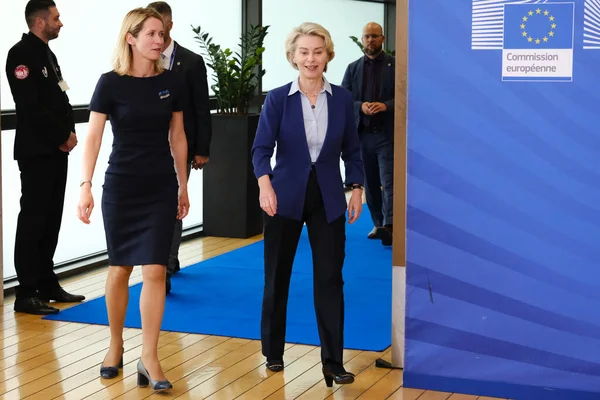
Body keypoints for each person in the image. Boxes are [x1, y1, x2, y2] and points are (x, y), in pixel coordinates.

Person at [76, 7, 189, 391]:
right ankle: (115, 344)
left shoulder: (172, 82)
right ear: (132, 38)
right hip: (121, 186)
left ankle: (150, 356)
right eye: (152, 34)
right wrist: (85, 184)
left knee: (156, 269)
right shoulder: (110, 83)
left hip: (159, 186)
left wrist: (184, 184)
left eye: (162, 34)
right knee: (120, 268)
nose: (160, 40)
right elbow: (92, 137)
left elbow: (178, 136)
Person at [251, 22, 364, 386]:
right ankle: (273, 352)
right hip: (282, 197)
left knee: (330, 279)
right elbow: (260, 149)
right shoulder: (277, 98)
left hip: (329, 198)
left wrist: (358, 187)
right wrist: (264, 185)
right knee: (277, 276)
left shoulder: (343, 99)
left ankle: (333, 362)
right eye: (304, 52)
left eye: (318, 51)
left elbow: (353, 150)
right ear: (293, 56)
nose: (311, 58)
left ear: (328, 54)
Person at [5, 0, 85, 315]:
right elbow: (30, 106)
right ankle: (26, 292)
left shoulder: (47, 55)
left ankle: (47, 282)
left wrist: (69, 133)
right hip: (37, 150)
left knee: (51, 218)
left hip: (56, 149)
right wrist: (61, 135)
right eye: (56, 17)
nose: (60, 22)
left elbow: (59, 96)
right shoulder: (20, 54)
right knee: (33, 219)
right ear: (40, 22)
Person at [147, 1, 212, 295]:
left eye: (159, 27)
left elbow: (201, 108)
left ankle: (167, 264)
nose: (155, 36)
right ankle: (164, 258)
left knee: (174, 203)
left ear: (169, 25)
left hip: (181, 144)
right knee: (154, 204)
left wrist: (202, 148)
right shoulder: (140, 58)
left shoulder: (191, 61)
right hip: (147, 144)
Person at [342, 22, 395, 246]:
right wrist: (361, 106)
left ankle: (391, 226)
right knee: (370, 182)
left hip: (387, 134)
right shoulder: (353, 68)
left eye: (374, 36)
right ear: (362, 40)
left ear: (382, 39)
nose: (370, 40)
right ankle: (378, 223)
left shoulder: (396, 66)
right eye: (366, 36)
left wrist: (386, 106)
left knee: (389, 180)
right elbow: (344, 99)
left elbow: (407, 94)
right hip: (362, 134)